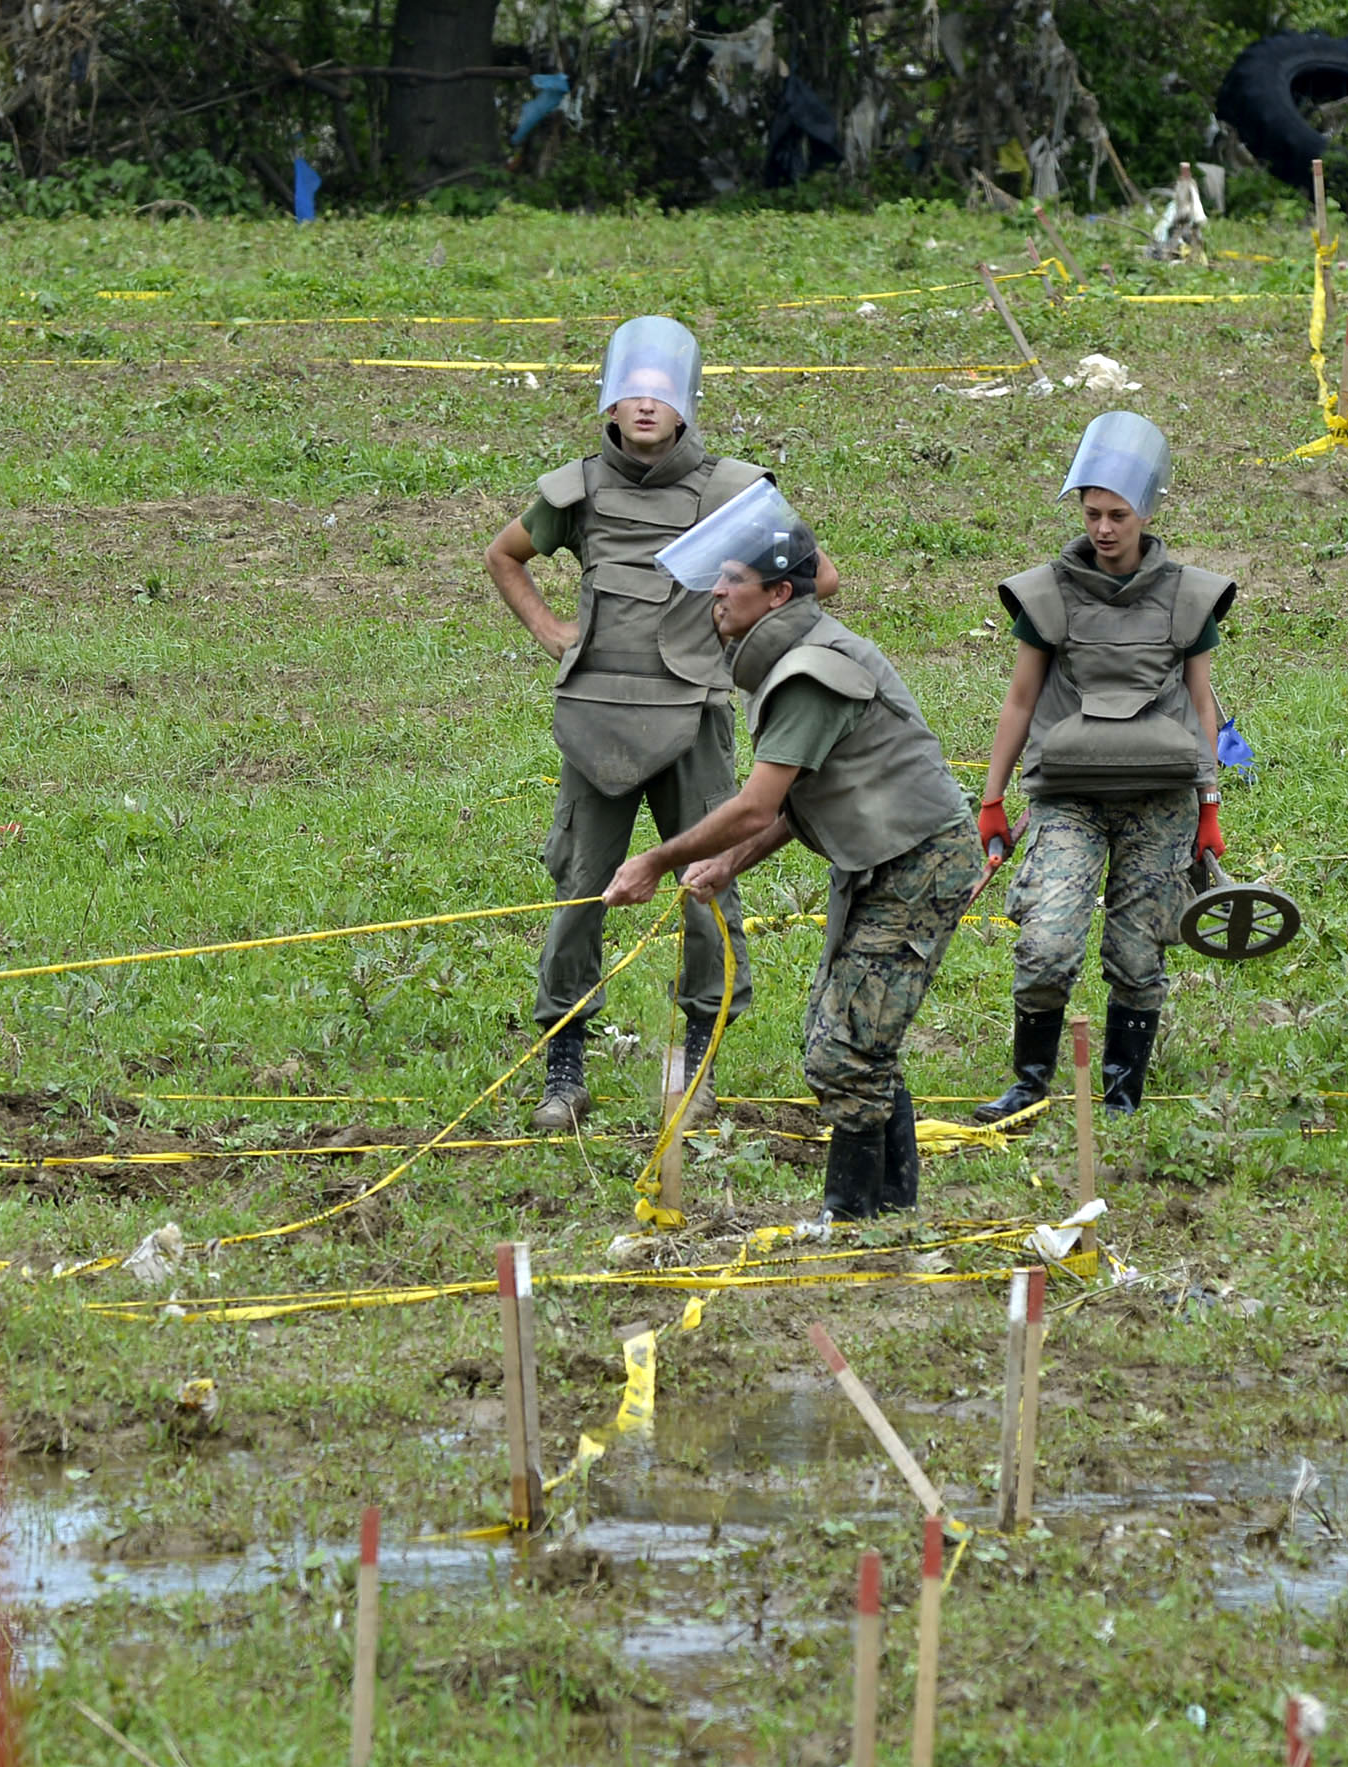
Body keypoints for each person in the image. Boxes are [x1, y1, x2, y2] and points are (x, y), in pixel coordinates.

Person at [483, 315, 839, 1132]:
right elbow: (505, 555)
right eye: (631, 392)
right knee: (580, 889)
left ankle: (698, 1064)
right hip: (596, 719)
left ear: (684, 405)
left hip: (694, 718)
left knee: (704, 888)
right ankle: (564, 1068)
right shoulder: (573, 490)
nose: (645, 407)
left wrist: (746, 637)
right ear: (609, 402)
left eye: (661, 394)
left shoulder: (731, 491)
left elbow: (817, 578)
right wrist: (552, 634)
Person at [600, 484, 979, 1221]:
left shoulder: (809, 672)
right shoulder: (797, 655)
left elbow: (756, 804)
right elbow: (805, 794)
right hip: (882, 860)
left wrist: (654, 861)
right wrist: (724, 864)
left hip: (918, 863)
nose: (716, 593)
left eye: (731, 580)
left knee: (843, 1051)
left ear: (776, 594)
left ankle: (854, 1216)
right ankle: (889, 1210)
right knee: (843, 1039)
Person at [969, 411, 1233, 1122]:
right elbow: (1020, 699)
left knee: (1138, 951)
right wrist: (991, 801)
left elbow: (1201, 704)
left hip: (1160, 799)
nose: (1104, 528)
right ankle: (1028, 1083)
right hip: (1068, 796)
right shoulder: (1046, 594)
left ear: (1146, 511)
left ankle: (1121, 1095)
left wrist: (1210, 807)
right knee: (1047, 945)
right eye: (1092, 512)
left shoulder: (1187, 596)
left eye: (1118, 513)